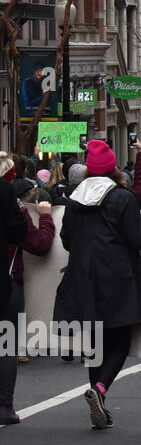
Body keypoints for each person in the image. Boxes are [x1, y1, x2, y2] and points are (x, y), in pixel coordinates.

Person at [54, 140, 141, 429]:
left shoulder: (75, 198)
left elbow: (67, 239)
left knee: (96, 341)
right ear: (113, 168)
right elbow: (135, 239)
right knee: (120, 339)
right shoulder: (122, 197)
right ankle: (99, 390)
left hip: (82, 275)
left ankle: (98, 397)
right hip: (116, 274)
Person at [0, 161, 55, 425]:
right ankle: (4, 406)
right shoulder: (13, 207)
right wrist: (45, 218)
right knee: (5, 345)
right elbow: (38, 244)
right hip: (8, 281)